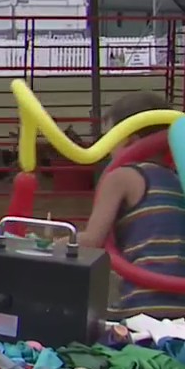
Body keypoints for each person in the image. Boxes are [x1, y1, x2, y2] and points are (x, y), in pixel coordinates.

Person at [73, 91, 185, 319]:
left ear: (129, 142)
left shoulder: (121, 176)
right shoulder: (178, 179)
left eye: (109, 139)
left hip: (143, 307)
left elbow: (92, 241)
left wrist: (46, 243)